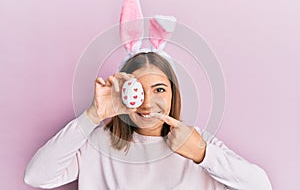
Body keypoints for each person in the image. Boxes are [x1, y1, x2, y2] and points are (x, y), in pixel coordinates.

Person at [24, 52, 272, 190]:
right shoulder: (97, 144)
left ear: (174, 93)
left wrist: (201, 153)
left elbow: (261, 186)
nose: (147, 103)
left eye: (159, 90)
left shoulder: (195, 141)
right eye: (138, 90)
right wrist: (94, 115)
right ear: (123, 94)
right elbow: (36, 176)